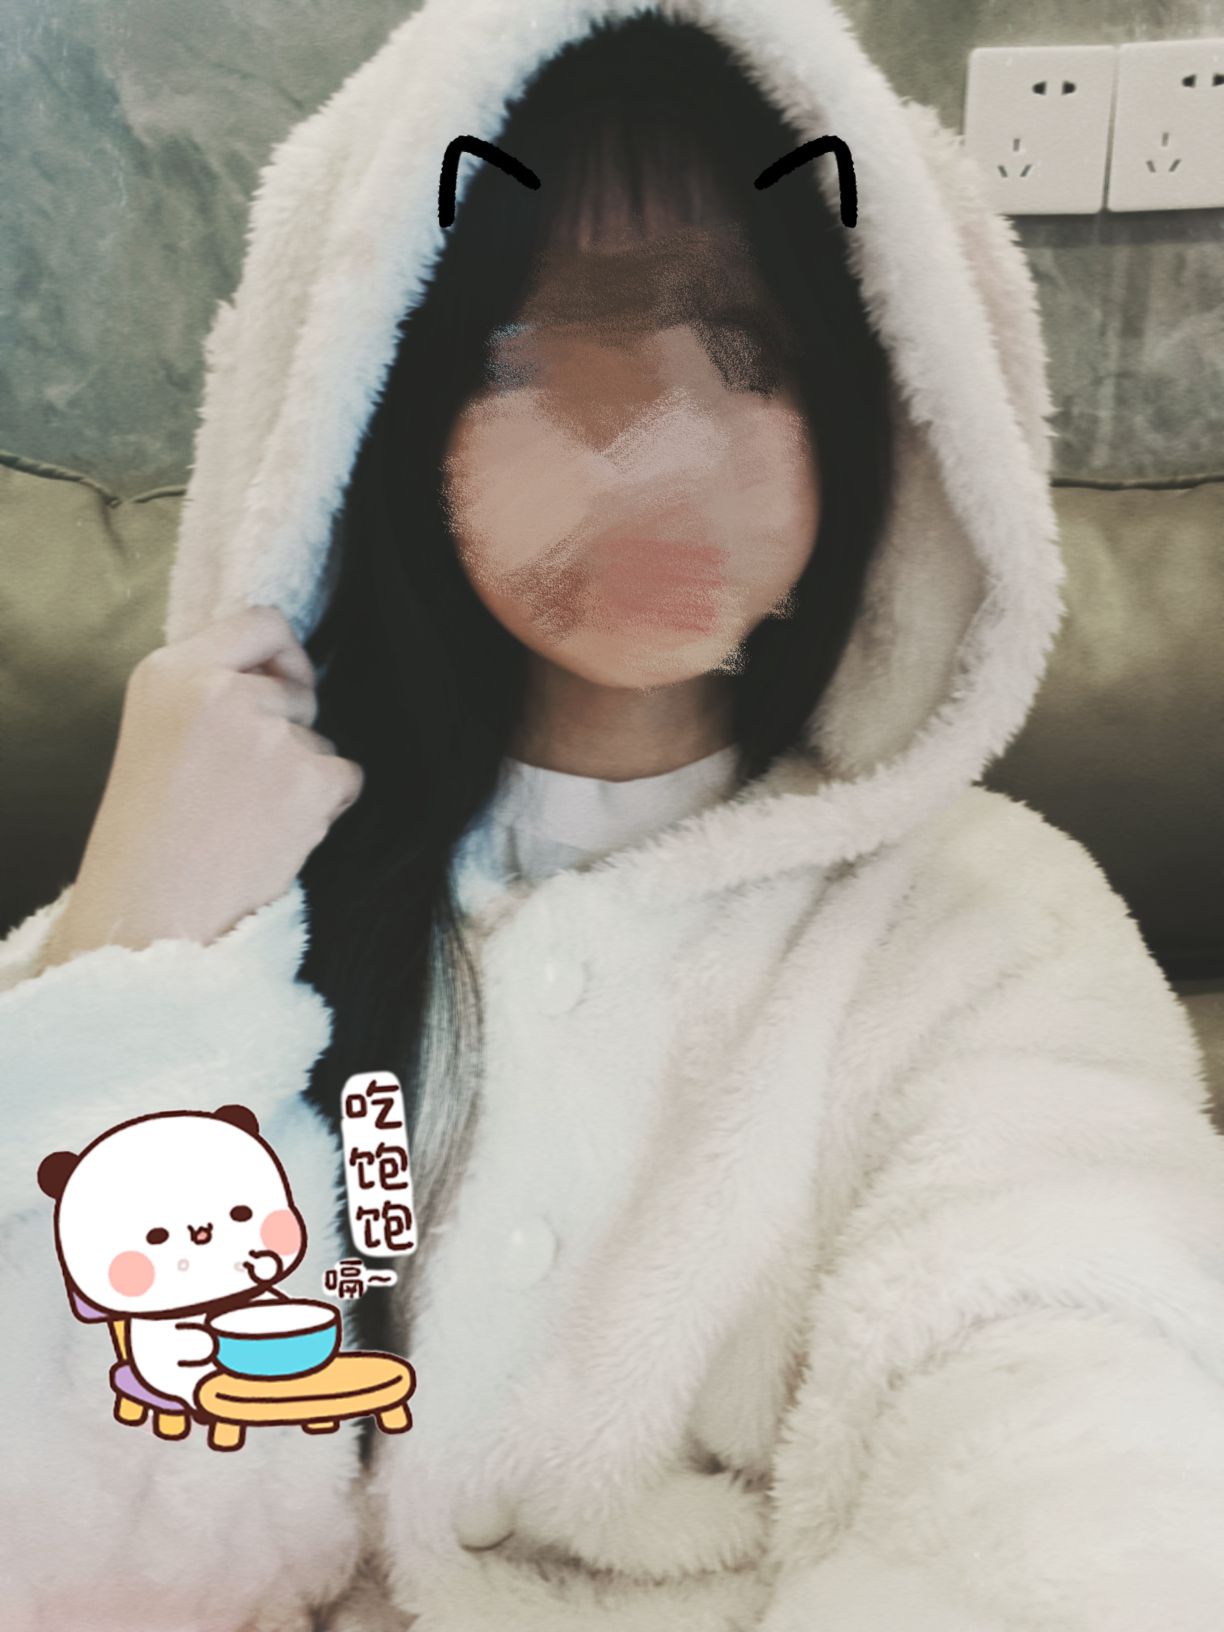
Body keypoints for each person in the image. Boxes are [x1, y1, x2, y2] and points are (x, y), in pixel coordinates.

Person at [4, 5, 1224, 1631]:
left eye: (747, 348)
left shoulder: (989, 932)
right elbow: (77, 1529)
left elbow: (1069, 1424)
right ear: (386, 397)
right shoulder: (229, 898)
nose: (656, 439)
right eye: (531, 350)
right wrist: (130, 952)